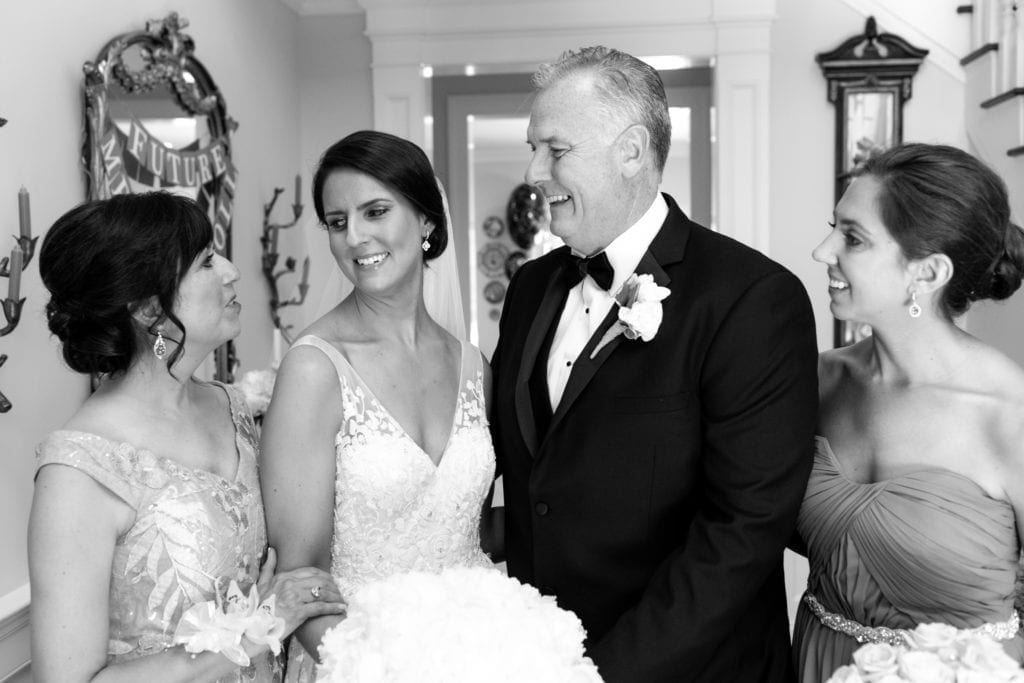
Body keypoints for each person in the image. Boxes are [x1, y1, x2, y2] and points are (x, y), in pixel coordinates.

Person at [489, 45, 819, 682]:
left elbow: (741, 530)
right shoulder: (531, 289)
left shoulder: (751, 299)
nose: (533, 171)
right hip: (540, 656)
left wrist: (606, 675)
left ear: (632, 150)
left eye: (555, 150)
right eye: (533, 148)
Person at [30, 192, 345, 683]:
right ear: (149, 310)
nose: (231, 271)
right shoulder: (79, 469)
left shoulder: (231, 406)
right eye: (206, 262)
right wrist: (259, 626)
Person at [259, 130, 499, 681]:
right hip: (355, 658)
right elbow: (299, 576)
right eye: (337, 222)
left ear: (427, 221)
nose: (355, 237)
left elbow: (475, 529)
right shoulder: (314, 369)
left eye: (375, 211)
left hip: (477, 651)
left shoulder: (474, 367)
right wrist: (380, 668)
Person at [793, 142, 1024, 681]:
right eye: (834, 228)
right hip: (815, 665)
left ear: (928, 272)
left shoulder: (1010, 415)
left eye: (852, 237)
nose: (823, 251)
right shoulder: (817, 382)